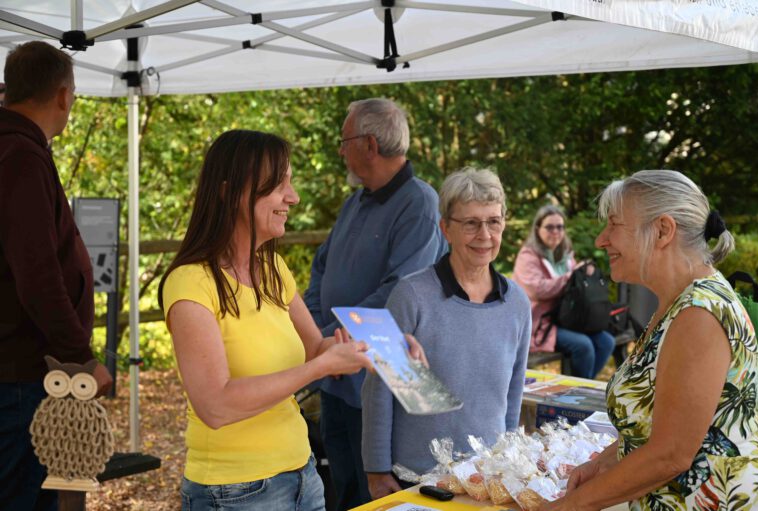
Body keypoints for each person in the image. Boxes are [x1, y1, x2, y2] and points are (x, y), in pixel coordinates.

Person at [158, 130, 390, 510]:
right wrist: (319, 367)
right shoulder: (189, 284)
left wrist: (388, 345)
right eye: (278, 184)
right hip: (233, 492)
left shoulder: (273, 268)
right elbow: (215, 406)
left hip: (303, 474)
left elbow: (317, 347)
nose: (293, 196)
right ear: (230, 192)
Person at [540, 170, 758, 510]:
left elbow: (671, 455)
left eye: (614, 225)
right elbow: (657, 424)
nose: (602, 240)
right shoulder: (679, 304)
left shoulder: (699, 314)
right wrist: (602, 463)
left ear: (662, 230)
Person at [304, 98, 447, 509]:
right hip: (336, 372)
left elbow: (399, 290)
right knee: (342, 487)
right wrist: (322, 336)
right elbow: (321, 272)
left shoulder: (420, 203)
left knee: (379, 496)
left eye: (344, 140)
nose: (340, 150)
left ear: (368, 143)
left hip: (381, 381)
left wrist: (337, 337)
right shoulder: (357, 200)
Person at [361, 168, 532, 499]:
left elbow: (513, 392)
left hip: (487, 477)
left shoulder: (517, 303)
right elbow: (379, 388)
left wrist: (508, 465)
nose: (484, 234)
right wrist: (376, 470)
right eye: (471, 223)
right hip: (416, 478)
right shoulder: (411, 295)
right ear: (446, 229)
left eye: (493, 221)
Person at [0, 41, 113, 510]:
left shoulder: (16, 149)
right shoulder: (20, 157)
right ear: (63, 96)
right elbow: (37, 272)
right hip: (24, 374)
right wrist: (80, 357)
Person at [513, 205, 615, 379]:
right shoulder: (528, 256)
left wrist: (584, 274)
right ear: (538, 229)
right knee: (583, 346)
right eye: (550, 227)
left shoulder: (565, 254)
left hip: (567, 318)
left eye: (560, 227)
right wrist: (572, 276)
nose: (555, 232)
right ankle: (579, 392)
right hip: (540, 322)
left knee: (606, 341)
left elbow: (575, 286)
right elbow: (537, 290)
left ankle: (583, 387)